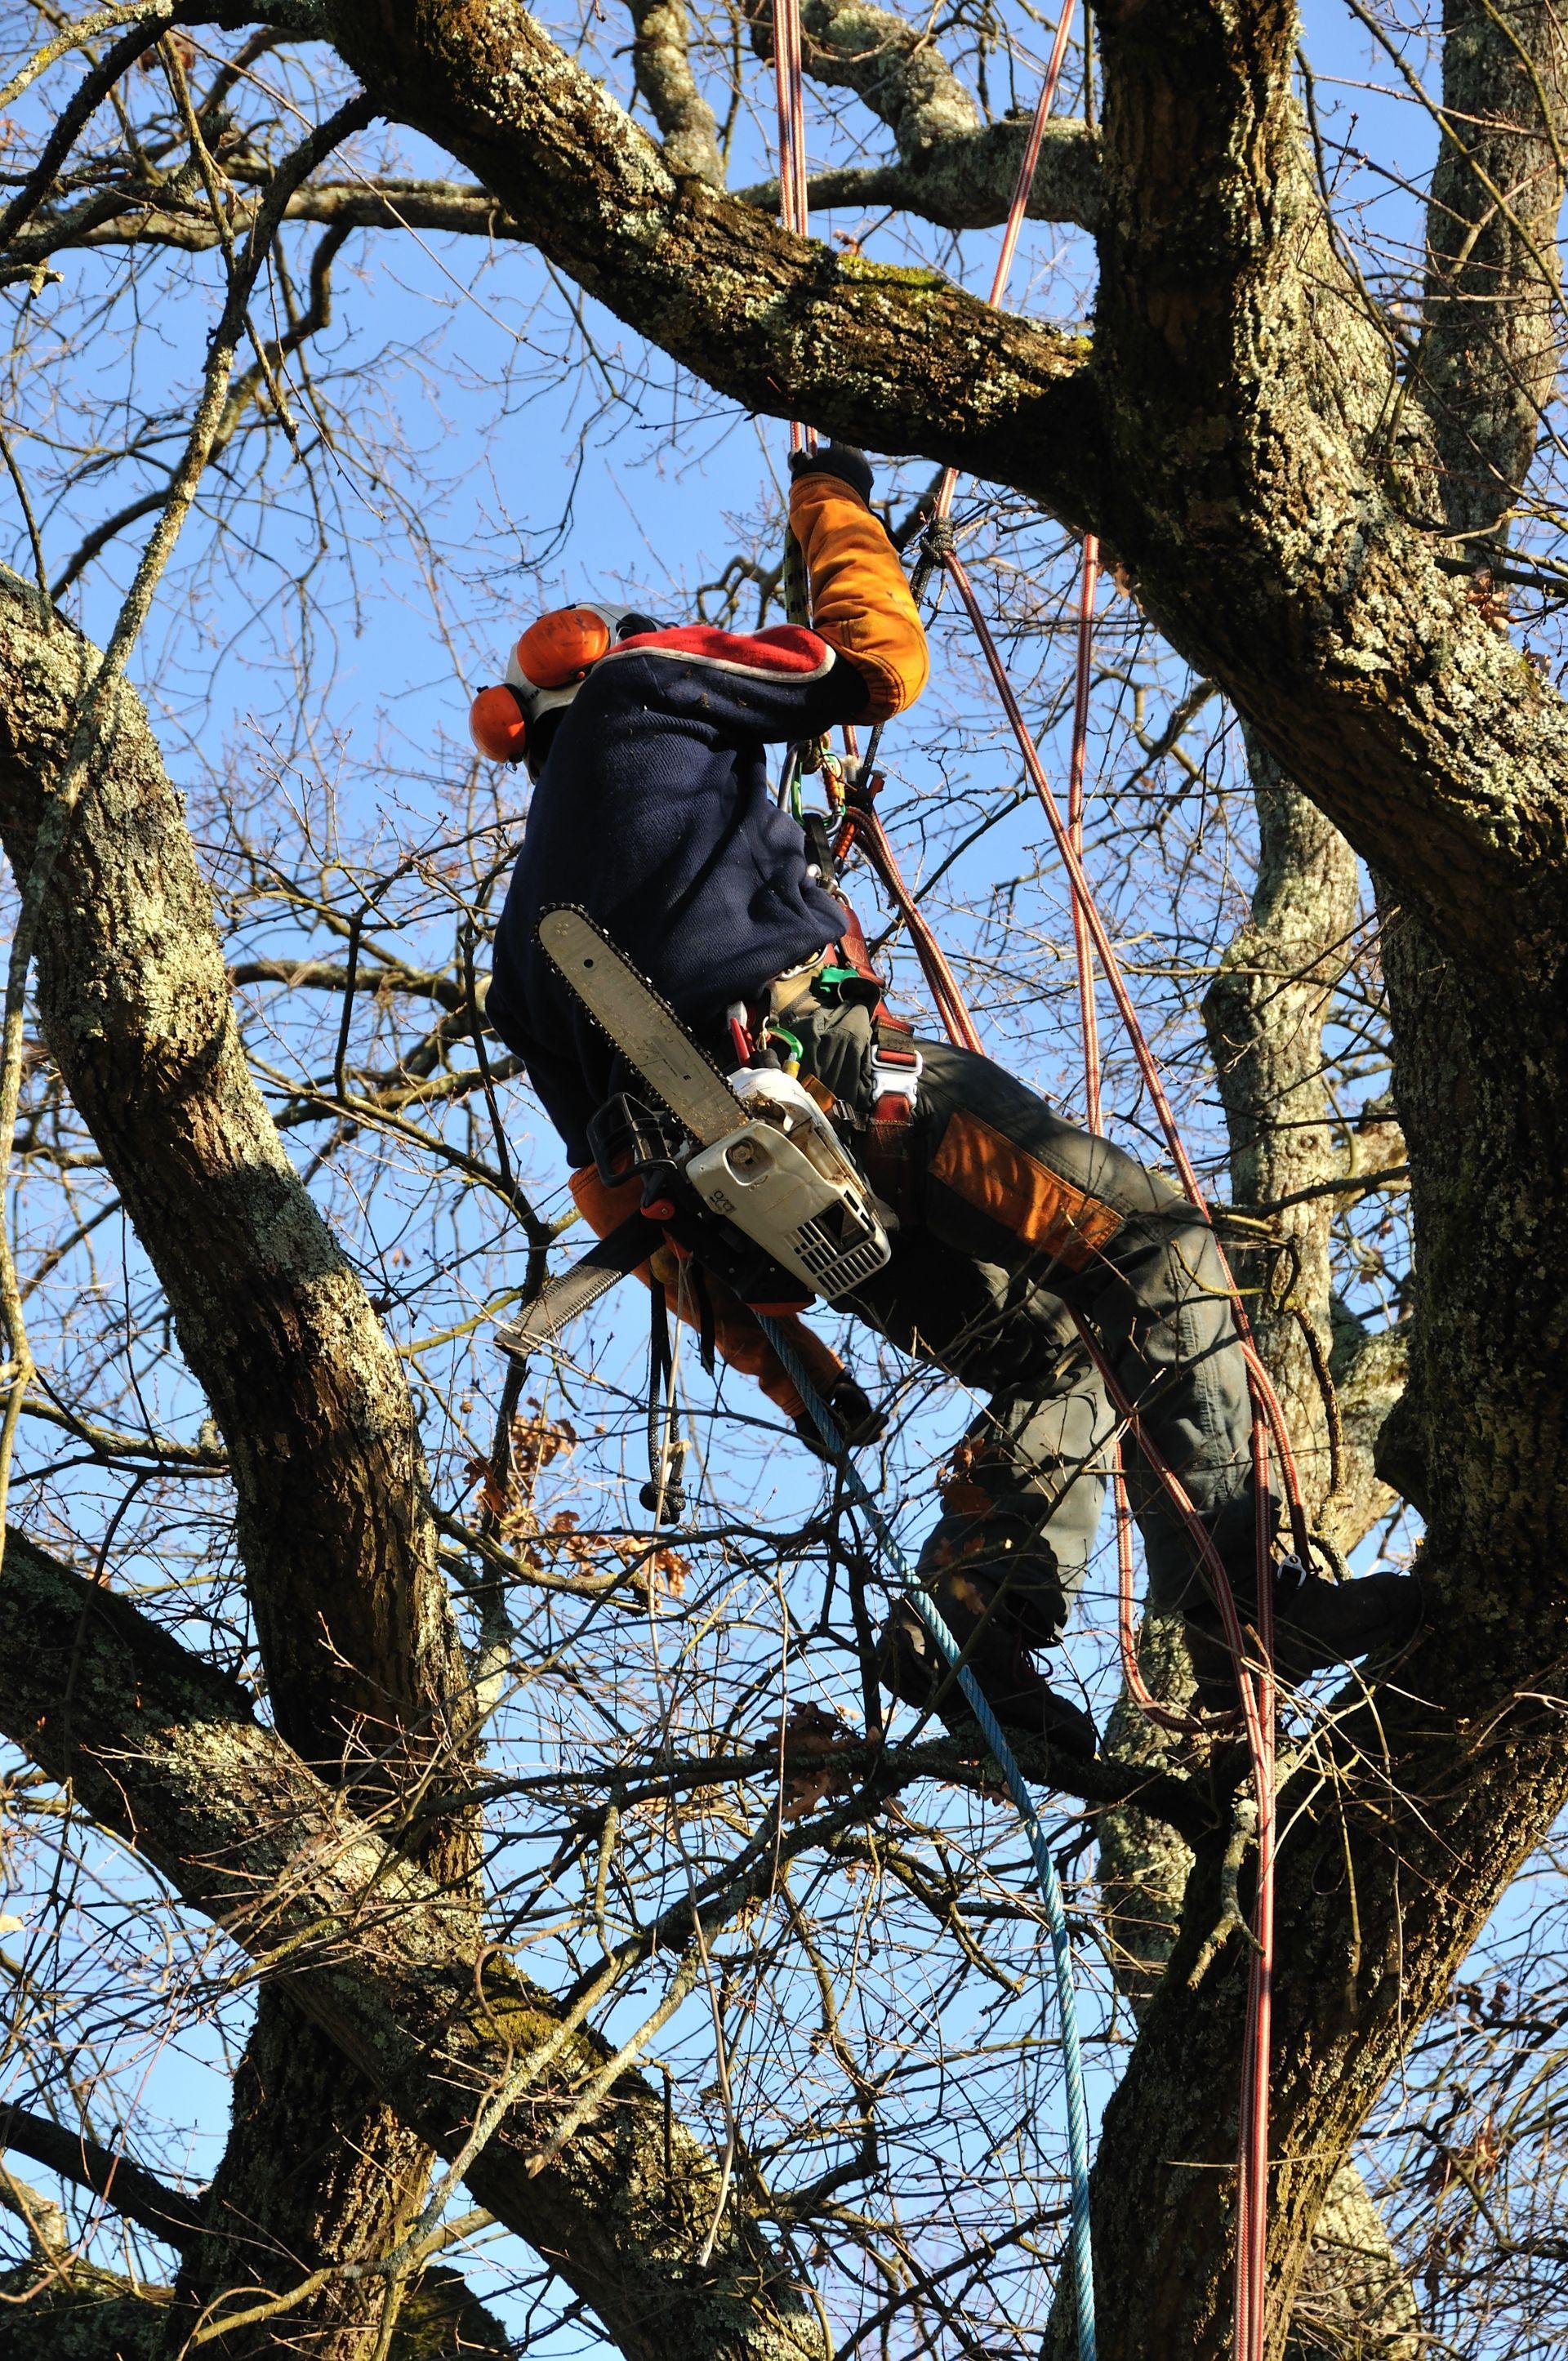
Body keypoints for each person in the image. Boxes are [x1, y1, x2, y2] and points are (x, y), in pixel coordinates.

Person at [471, 444, 1419, 1756]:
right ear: (610, 662)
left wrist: (795, 1370)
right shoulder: (649, 685)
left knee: (1056, 1348)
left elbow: (614, 1199)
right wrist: (833, 506)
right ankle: (1242, 1610)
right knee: (1154, 1250)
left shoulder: (521, 949)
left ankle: (966, 1624)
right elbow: (877, 664)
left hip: (774, 1220)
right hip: (834, 1083)